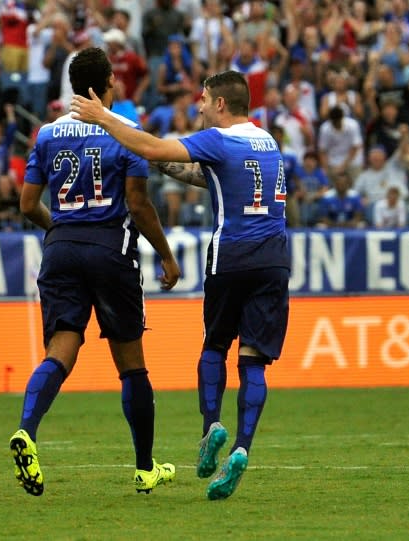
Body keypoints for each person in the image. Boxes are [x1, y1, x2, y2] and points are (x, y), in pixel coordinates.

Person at [72, 69, 290, 501]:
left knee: (214, 347)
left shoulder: (218, 139)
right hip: (275, 261)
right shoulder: (268, 142)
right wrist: (159, 163)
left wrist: (104, 119)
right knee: (254, 361)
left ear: (222, 105)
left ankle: (211, 426)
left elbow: (153, 145)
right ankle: (241, 449)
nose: (200, 107)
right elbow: (206, 176)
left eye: (205, 100)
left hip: (231, 255)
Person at [9, 47, 180, 497]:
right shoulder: (125, 133)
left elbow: (27, 204)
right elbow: (139, 205)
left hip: (61, 251)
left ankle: (27, 430)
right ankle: (145, 468)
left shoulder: (46, 134)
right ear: (108, 84)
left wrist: (61, 231)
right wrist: (166, 254)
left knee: (60, 349)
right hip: (111, 249)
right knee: (131, 365)